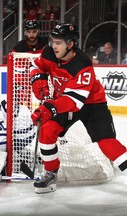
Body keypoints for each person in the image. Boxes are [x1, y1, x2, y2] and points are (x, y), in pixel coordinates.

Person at [29, 23, 127, 194]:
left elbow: (74, 102)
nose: (54, 46)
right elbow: (36, 66)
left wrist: (48, 108)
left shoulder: (82, 64)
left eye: (58, 42)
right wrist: (38, 80)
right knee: (47, 131)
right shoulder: (48, 52)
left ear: (70, 44)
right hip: (62, 101)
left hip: (92, 105)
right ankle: (51, 174)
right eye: (53, 41)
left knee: (107, 143)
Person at [12, 20, 48, 110]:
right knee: (23, 99)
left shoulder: (46, 44)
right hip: (25, 76)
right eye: (29, 32)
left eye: (34, 32)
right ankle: (26, 114)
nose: (31, 35)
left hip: (43, 75)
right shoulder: (18, 48)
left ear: (38, 31)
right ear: (25, 32)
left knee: (46, 95)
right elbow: (16, 67)